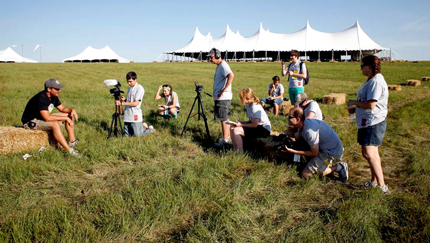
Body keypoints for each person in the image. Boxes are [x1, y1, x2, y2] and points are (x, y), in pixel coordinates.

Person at [347, 55, 389, 194]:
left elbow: (371, 104)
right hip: (369, 121)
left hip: (373, 121)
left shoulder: (376, 81)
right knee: (373, 154)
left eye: (362, 65)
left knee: (368, 153)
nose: (360, 68)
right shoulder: (372, 80)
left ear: (369, 67)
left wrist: (354, 102)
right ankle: (374, 182)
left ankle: (382, 187)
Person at [281, 107, 349, 181]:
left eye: (290, 117)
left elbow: (314, 153)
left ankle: (339, 167)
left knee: (306, 174)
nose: (287, 118)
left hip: (331, 153)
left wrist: (293, 151)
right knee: (295, 135)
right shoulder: (304, 124)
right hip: (324, 147)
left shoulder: (309, 131)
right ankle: (321, 164)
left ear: (298, 119)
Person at [21, 78, 81, 157]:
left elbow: (62, 109)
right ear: (49, 89)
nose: (59, 91)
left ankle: (72, 142)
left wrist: (71, 110)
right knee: (55, 124)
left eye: (59, 88)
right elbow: (47, 118)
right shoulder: (41, 98)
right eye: (57, 89)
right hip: (31, 121)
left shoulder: (53, 96)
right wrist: (65, 118)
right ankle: (69, 150)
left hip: (42, 118)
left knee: (69, 115)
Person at [207, 48, 234, 147]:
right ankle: (227, 137)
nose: (210, 59)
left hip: (223, 97)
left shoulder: (223, 65)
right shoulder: (219, 66)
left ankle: (225, 140)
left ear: (218, 56)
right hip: (220, 97)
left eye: (211, 57)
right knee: (224, 118)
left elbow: (231, 75)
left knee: (223, 119)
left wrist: (224, 89)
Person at [116, 71, 145, 137]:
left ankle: (148, 129)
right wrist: (125, 100)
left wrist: (122, 103)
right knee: (127, 135)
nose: (129, 83)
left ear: (135, 79)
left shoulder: (139, 88)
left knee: (137, 135)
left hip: (135, 115)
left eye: (130, 81)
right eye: (127, 81)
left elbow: (135, 103)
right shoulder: (130, 88)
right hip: (127, 115)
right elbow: (131, 101)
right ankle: (141, 127)